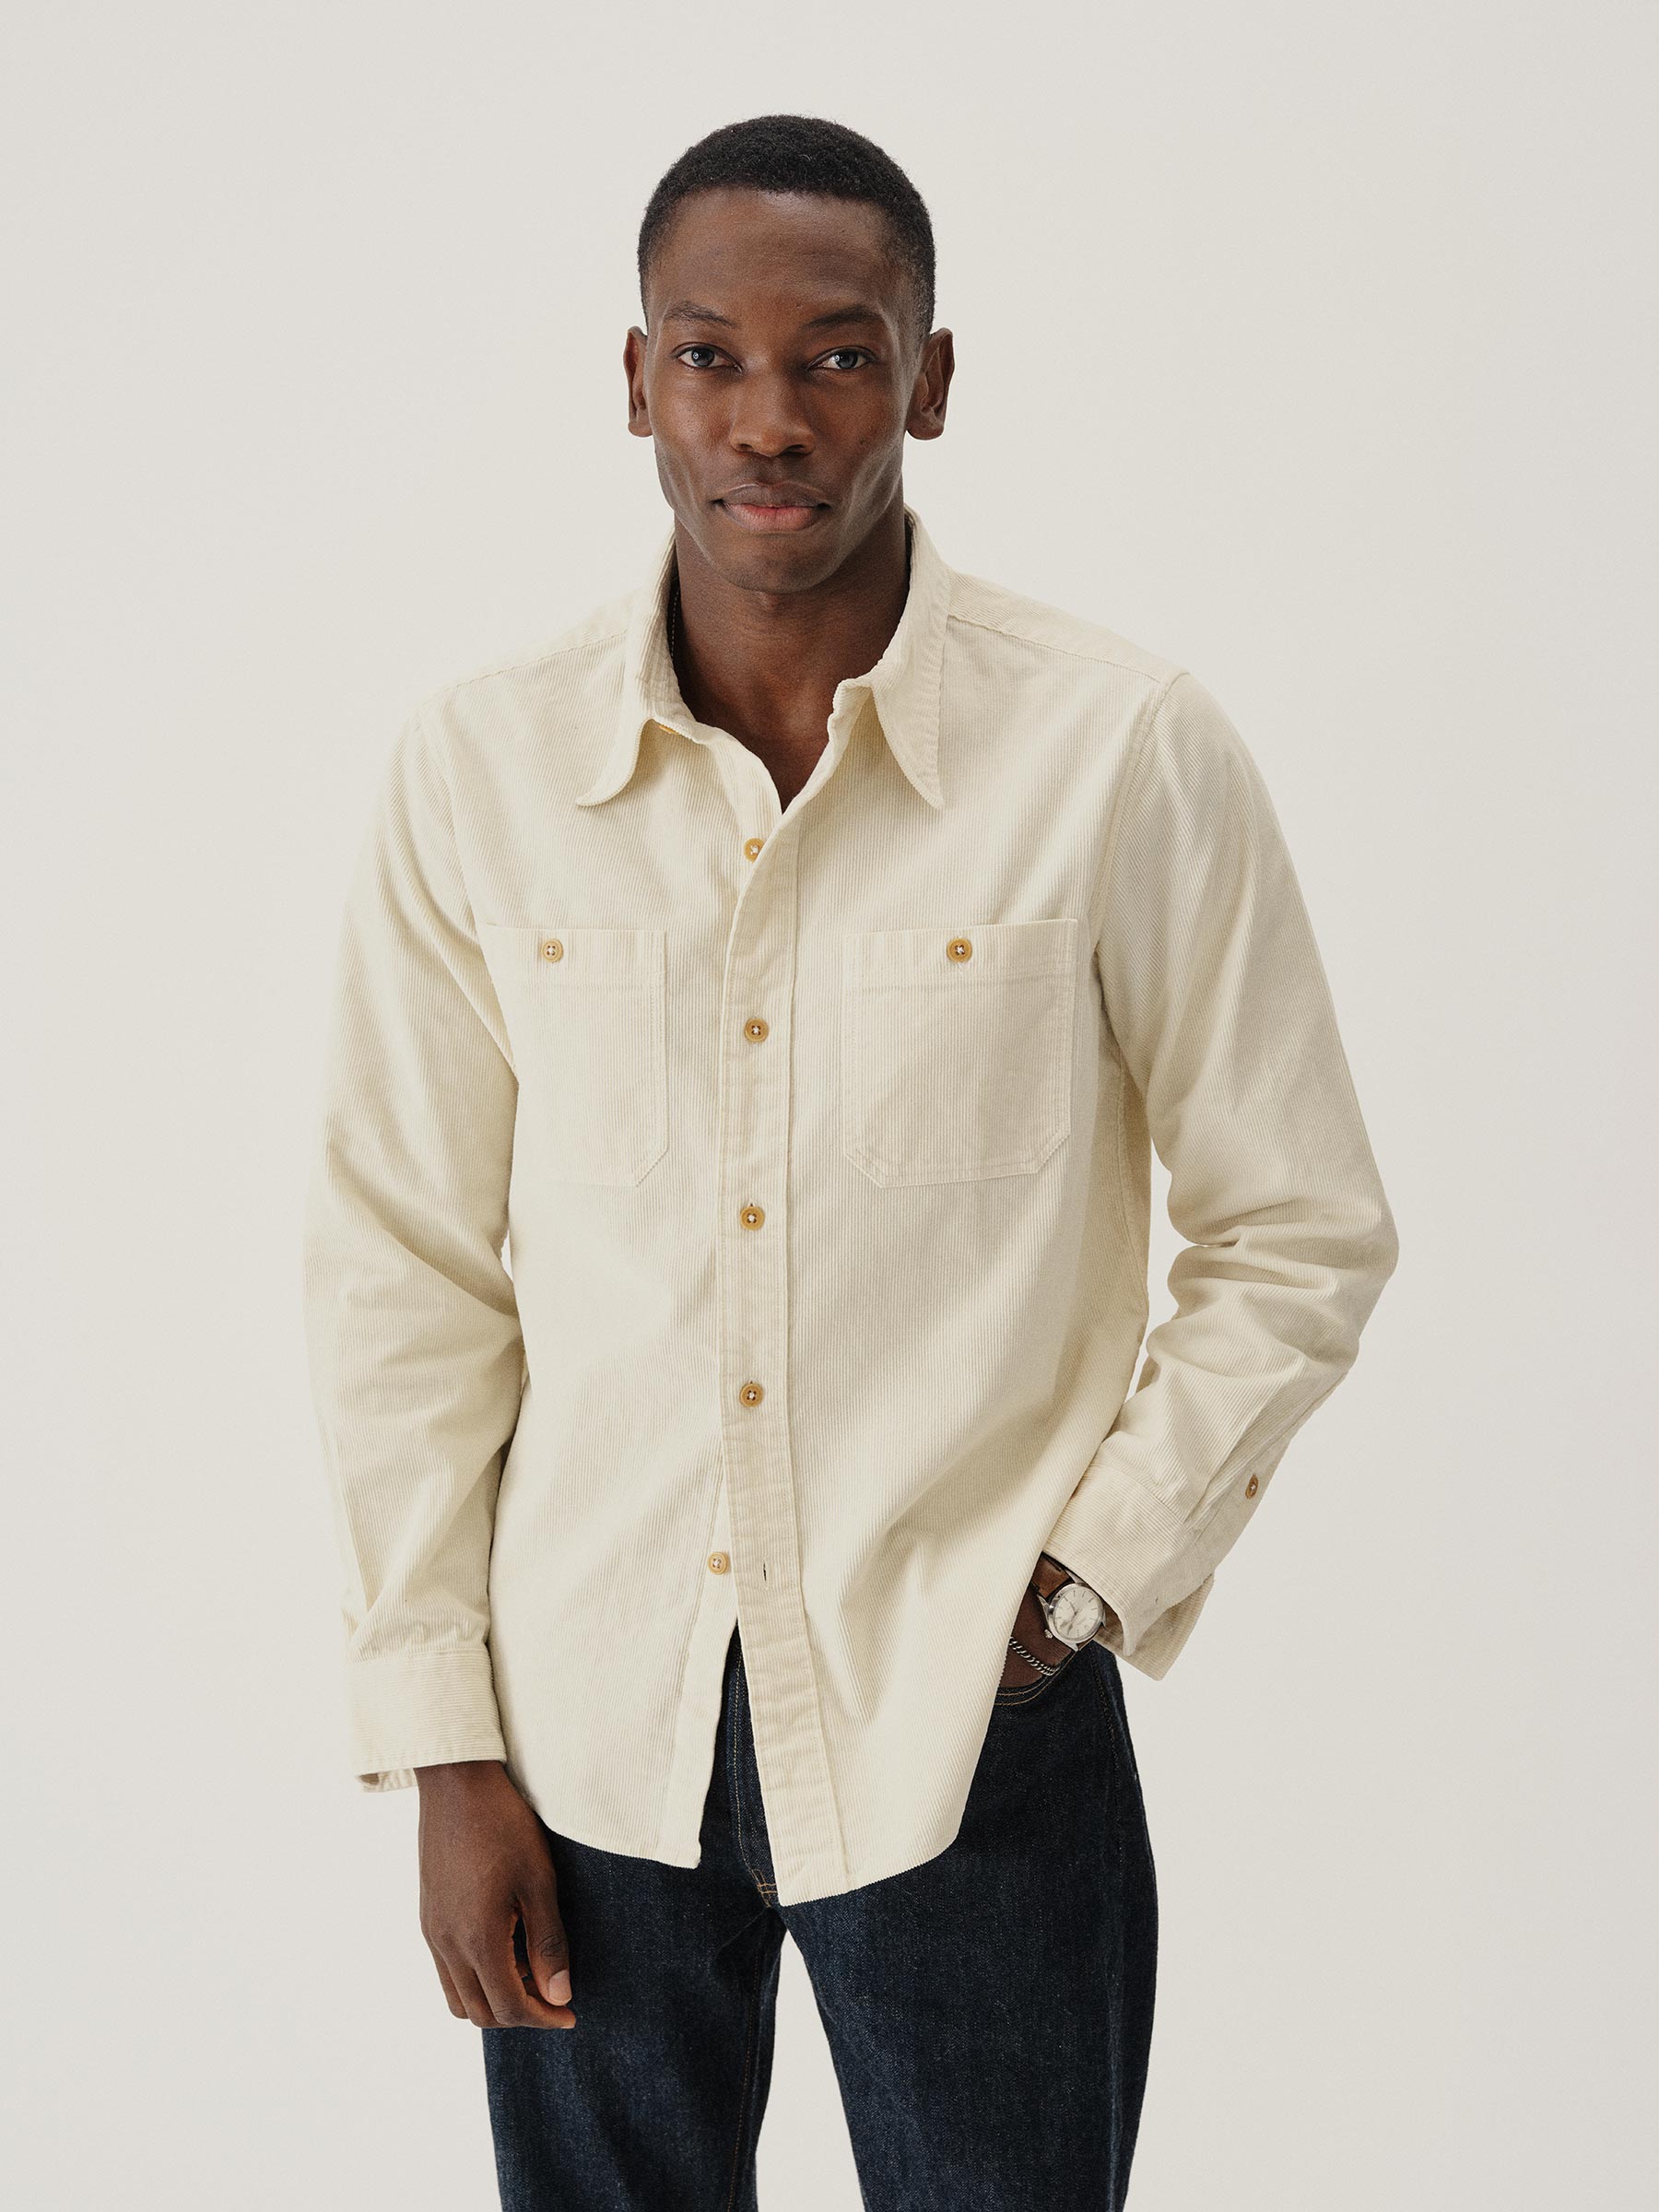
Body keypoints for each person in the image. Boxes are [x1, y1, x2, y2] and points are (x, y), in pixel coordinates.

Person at [301, 112, 1399, 2212]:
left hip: (970, 1722)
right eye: (708, 355)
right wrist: (444, 1739)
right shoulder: (481, 769)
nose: (769, 419)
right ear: (637, 381)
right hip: (585, 1732)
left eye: (838, 356)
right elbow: (401, 1268)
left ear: (932, 379)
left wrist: (1085, 1583)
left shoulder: (1118, 751)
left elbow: (1300, 1224)